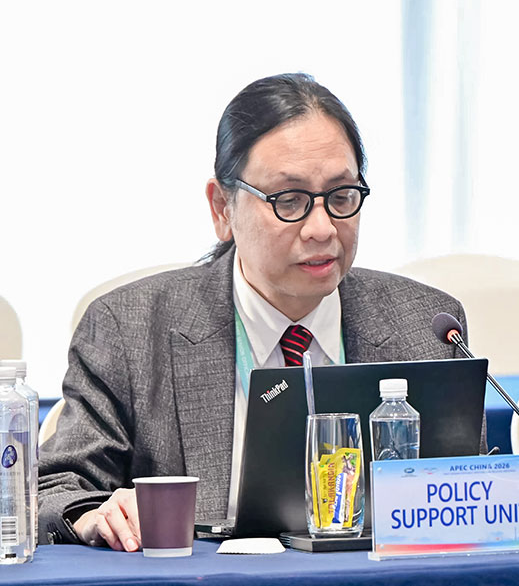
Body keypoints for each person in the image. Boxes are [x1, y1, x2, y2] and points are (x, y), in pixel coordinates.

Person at [39, 73, 470, 549]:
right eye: (290, 201)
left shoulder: (426, 326)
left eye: (341, 197)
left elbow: (463, 498)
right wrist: (94, 514)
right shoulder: (130, 329)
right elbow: (55, 490)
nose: (323, 228)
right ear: (222, 208)